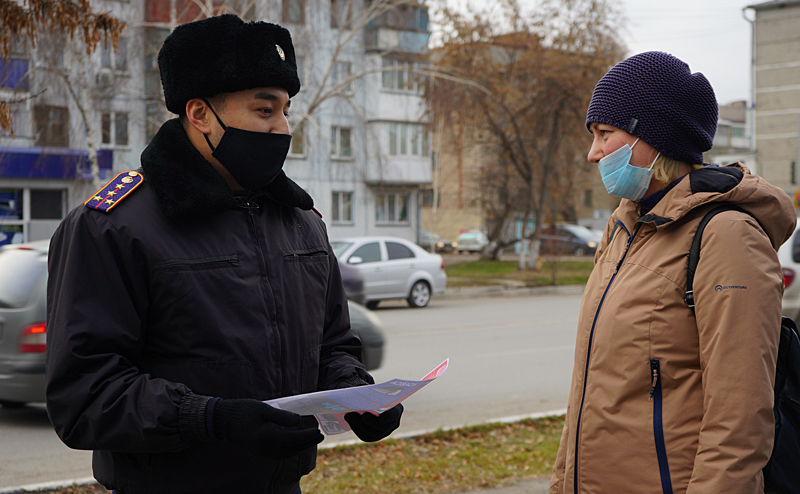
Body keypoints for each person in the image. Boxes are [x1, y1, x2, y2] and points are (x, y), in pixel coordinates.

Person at [45, 14, 402, 494]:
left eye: (286, 111)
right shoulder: (111, 226)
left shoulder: (301, 222)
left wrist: (357, 393)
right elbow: (85, 396)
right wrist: (211, 419)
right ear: (199, 115)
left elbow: (333, 346)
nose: (282, 128)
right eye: (263, 110)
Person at [549, 51, 796, 494]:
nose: (593, 153)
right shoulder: (622, 228)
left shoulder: (727, 236)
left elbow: (739, 422)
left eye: (605, 133)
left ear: (656, 138)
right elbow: (587, 394)